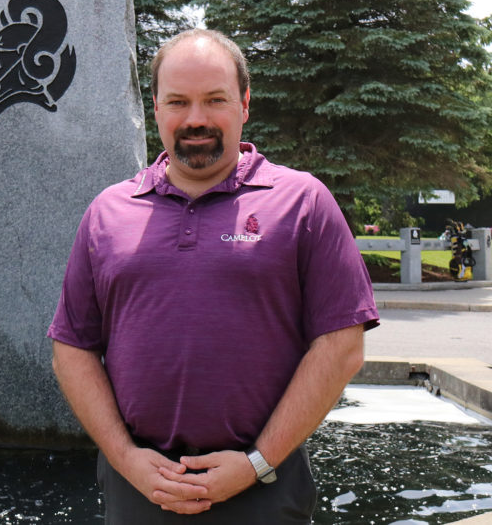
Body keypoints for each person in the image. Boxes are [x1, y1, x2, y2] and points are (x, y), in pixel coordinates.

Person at [47, 29, 379, 523]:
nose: (196, 119)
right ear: (155, 106)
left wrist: (257, 463)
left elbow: (342, 346)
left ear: (244, 103)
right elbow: (72, 349)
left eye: (215, 100)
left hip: (265, 486)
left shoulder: (303, 202)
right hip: (140, 487)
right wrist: (126, 459)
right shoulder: (107, 213)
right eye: (178, 101)